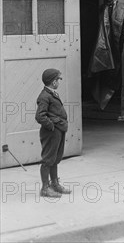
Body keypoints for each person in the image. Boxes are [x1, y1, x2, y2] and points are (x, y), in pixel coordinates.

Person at [35, 68, 70, 198]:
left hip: (59, 130)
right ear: (53, 82)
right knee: (48, 159)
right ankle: (45, 189)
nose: (59, 82)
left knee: (55, 158)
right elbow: (40, 116)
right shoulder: (44, 96)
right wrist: (52, 126)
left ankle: (55, 184)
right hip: (52, 132)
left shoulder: (52, 93)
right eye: (58, 79)